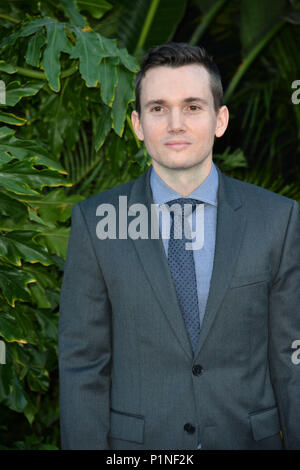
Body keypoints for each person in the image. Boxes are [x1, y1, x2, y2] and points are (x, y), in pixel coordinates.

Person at [58, 42, 300, 450]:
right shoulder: (97, 223)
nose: (175, 124)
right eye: (158, 108)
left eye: (192, 107)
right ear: (137, 123)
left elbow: (291, 361)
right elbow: (83, 365)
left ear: (220, 119)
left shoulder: (278, 220)